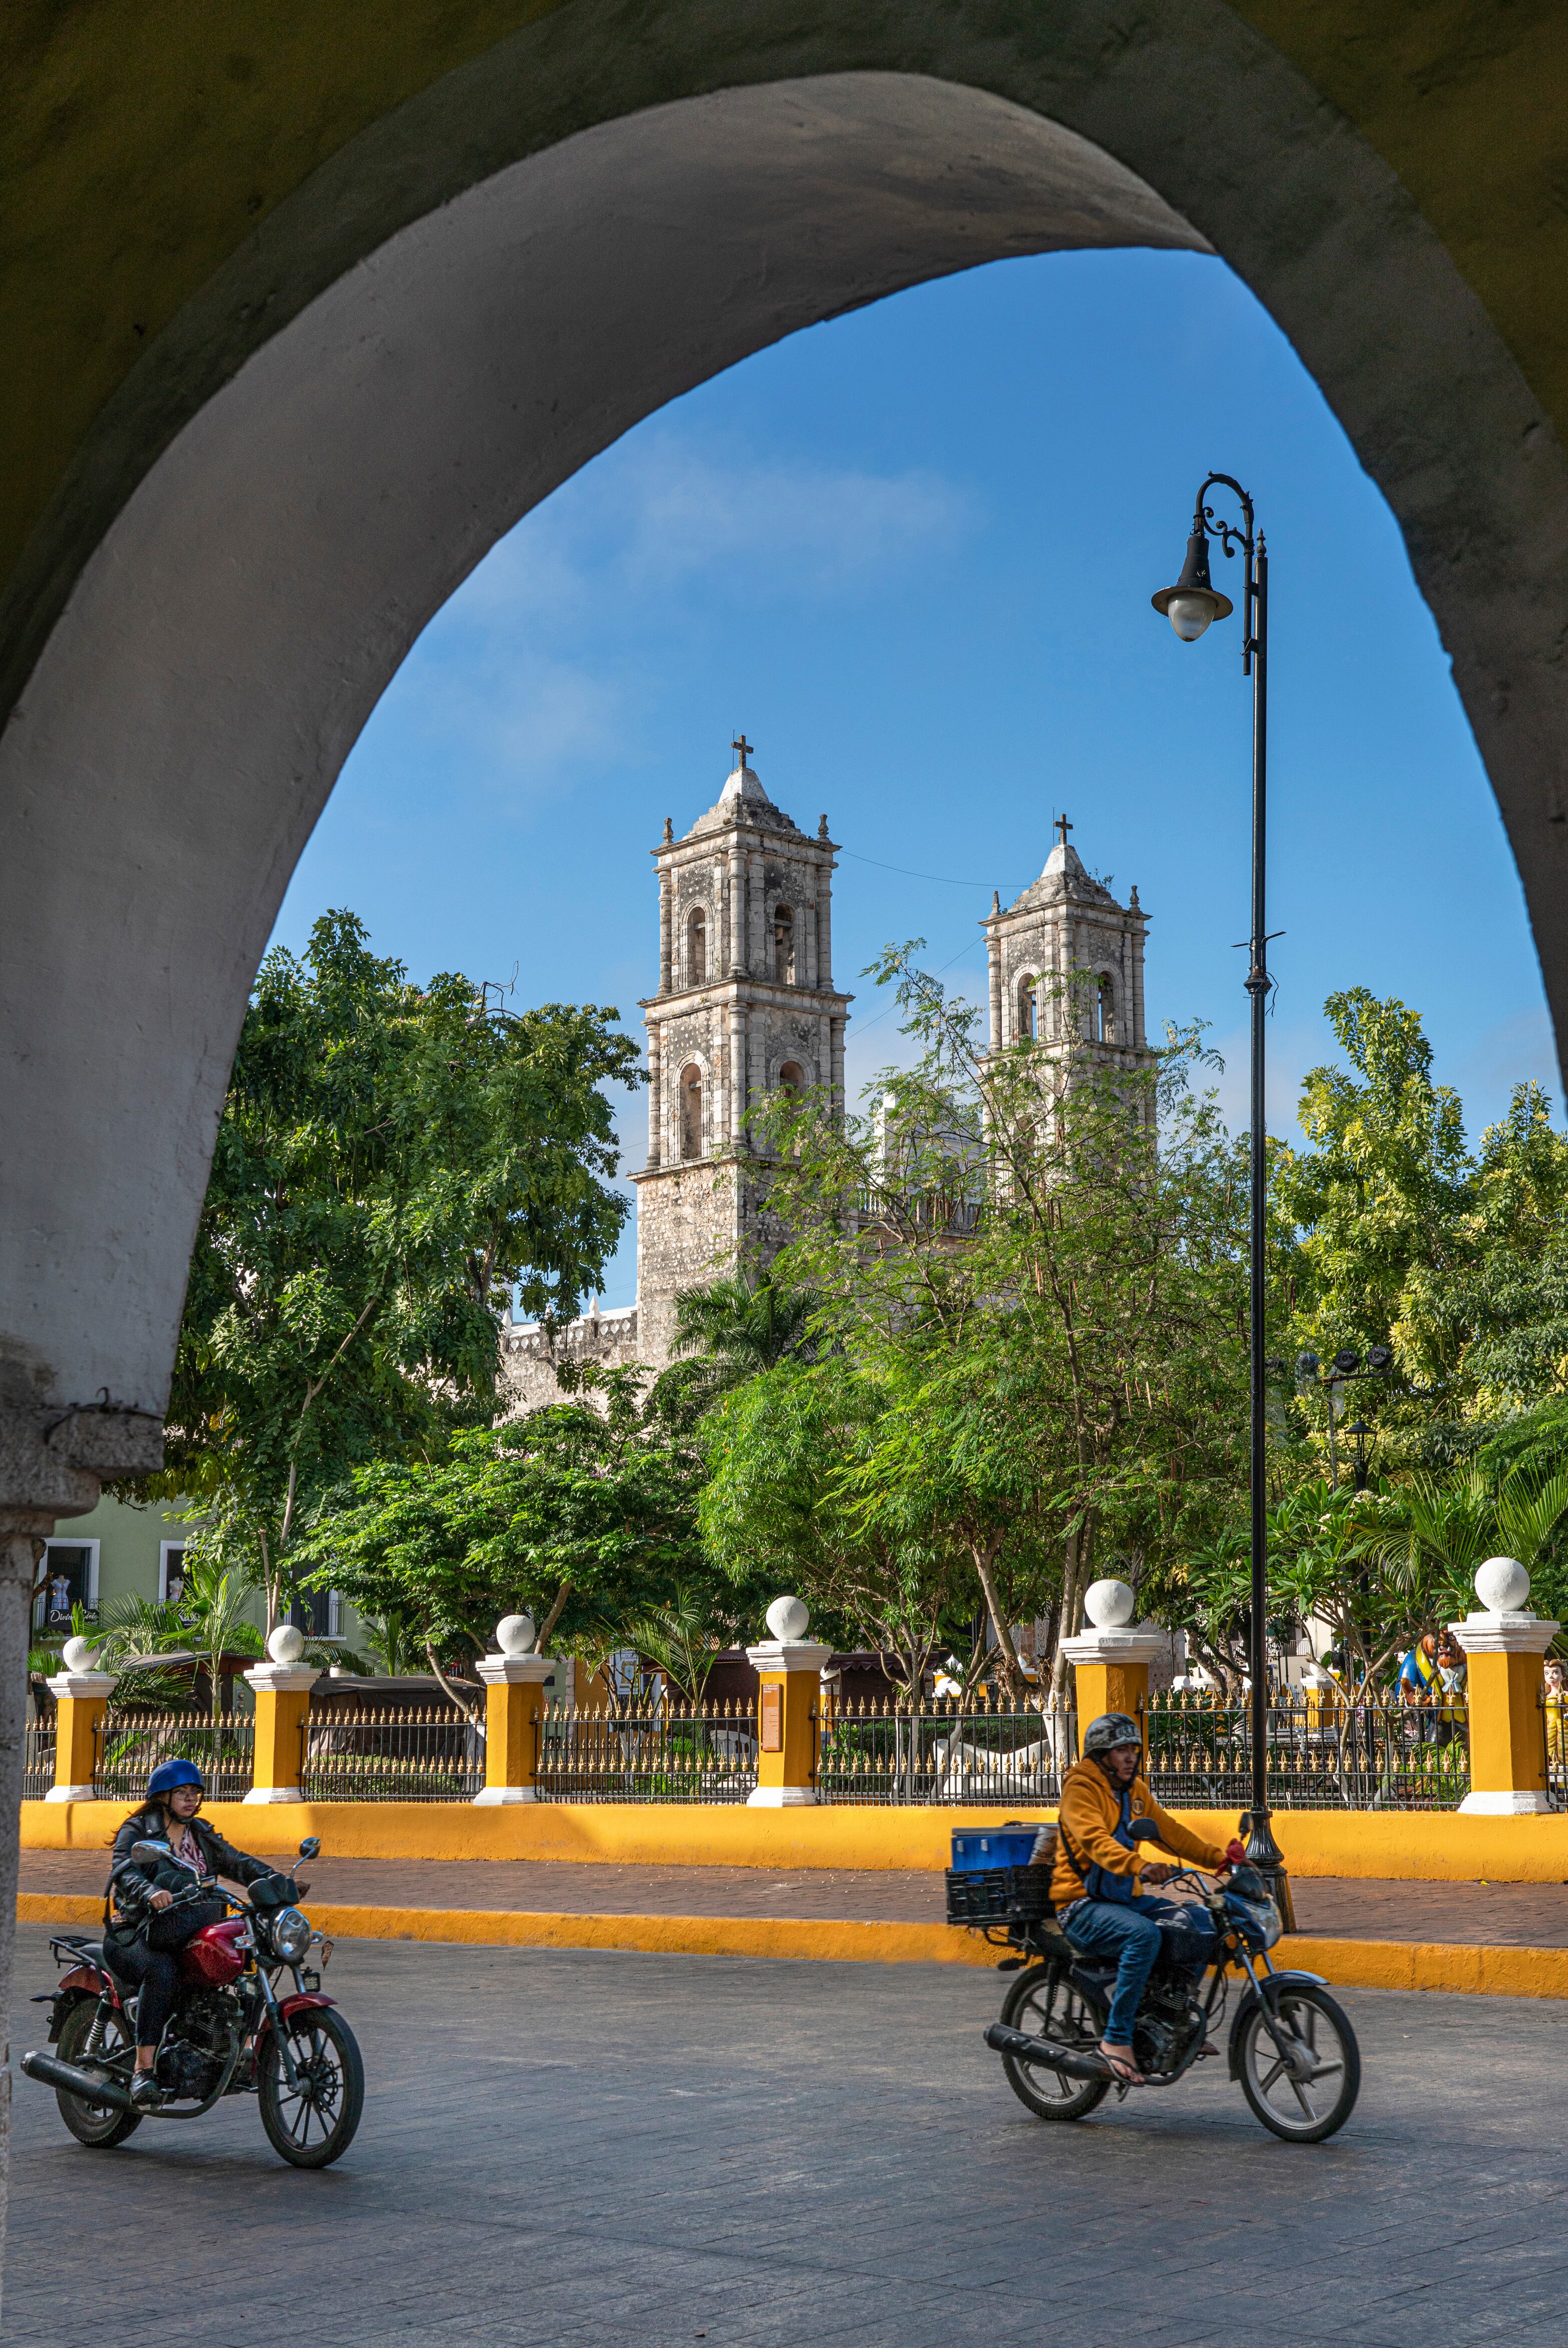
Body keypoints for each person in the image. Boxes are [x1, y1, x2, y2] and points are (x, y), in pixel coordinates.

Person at [1051, 1712, 1243, 2086]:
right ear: (1101, 1754)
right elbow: (1096, 1841)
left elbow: (1170, 1833)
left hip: (1121, 1901)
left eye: (1133, 1750)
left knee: (1199, 1925)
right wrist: (1139, 1866)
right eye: (1121, 1750)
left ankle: (1172, 2019)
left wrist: (1221, 1859)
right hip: (1080, 1905)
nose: (1130, 1757)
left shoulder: (1134, 1791)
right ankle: (1117, 2039)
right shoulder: (1080, 1789)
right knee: (1144, 1936)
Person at [105, 1759, 287, 2105]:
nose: (190, 1800)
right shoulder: (139, 1829)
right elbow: (125, 1872)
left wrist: (277, 1881)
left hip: (188, 1926)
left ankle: (242, 2051)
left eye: (195, 1793)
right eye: (181, 1794)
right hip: (137, 1931)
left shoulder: (200, 1833)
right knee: (162, 1971)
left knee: (251, 1956)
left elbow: (238, 1863)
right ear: (162, 1798)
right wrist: (149, 1893)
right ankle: (143, 2071)